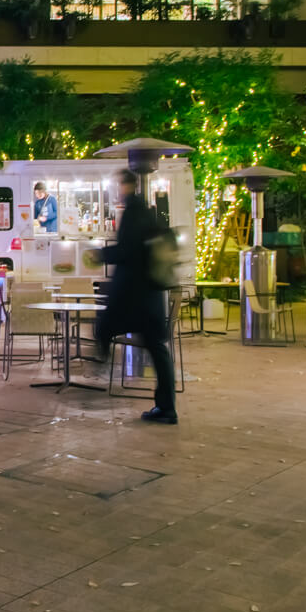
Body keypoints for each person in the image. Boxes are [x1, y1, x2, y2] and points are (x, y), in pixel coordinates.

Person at [94, 170, 176, 425]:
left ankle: (102, 355)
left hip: (135, 293)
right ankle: (166, 407)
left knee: (105, 325)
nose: (117, 190)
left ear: (126, 186)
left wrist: (100, 255)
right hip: (148, 294)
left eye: (119, 185)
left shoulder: (133, 213)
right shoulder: (147, 212)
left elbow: (127, 250)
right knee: (157, 349)